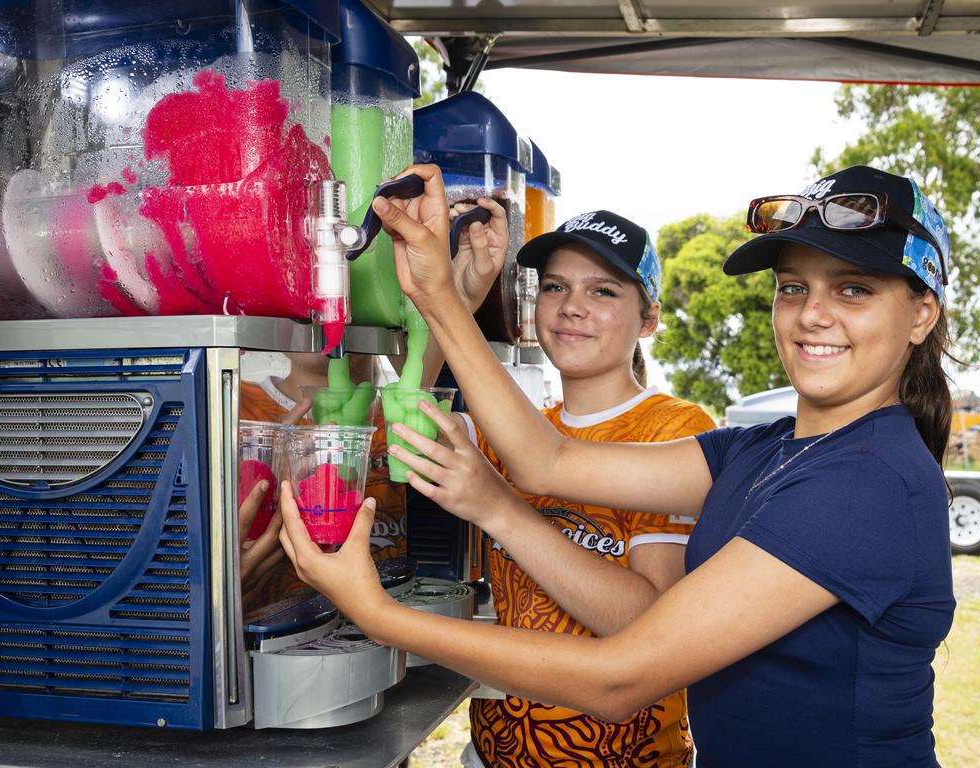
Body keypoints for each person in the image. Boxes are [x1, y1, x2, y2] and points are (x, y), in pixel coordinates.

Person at [277, 164, 956, 767]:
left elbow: (619, 678)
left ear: (922, 314)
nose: (812, 316)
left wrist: (375, 613)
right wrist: (438, 291)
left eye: (854, 290)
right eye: (792, 288)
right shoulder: (762, 448)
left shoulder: (868, 481)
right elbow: (547, 461)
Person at [441, 210, 715, 767]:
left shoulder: (674, 432)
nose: (571, 306)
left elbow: (650, 627)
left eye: (604, 290)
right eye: (555, 287)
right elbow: (401, 430)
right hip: (494, 754)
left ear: (649, 319)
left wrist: (498, 508)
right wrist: (459, 299)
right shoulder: (516, 430)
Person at [237, 197, 507, 611]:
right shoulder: (238, 412)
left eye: (348, 270)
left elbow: (435, 345)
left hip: (382, 626)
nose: (330, 292)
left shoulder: (395, 404)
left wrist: (461, 295)